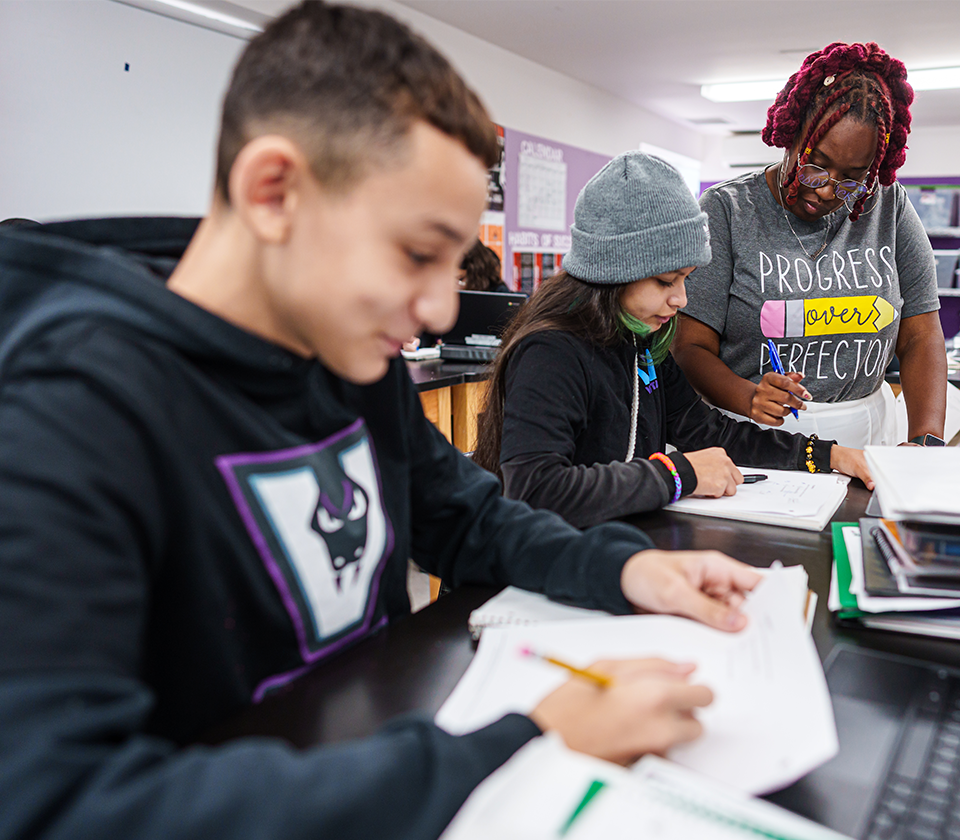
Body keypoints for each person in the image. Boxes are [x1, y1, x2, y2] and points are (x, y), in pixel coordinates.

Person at [0, 4, 764, 839]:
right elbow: (61, 802)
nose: (440, 308)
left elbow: (465, 517)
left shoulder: (341, 354)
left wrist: (621, 572)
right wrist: (527, 742)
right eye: (415, 253)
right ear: (274, 193)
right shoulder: (69, 413)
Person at [472, 153, 873, 528]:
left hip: (610, 546)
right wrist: (678, 472)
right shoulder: (550, 353)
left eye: (685, 279)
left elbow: (711, 432)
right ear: (612, 272)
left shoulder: (641, 341)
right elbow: (537, 490)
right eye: (666, 281)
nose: (680, 299)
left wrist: (826, 455)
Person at [672, 42, 947, 448]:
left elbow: (921, 334)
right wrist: (748, 396)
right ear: (791, 137)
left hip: (864, 435)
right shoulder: (727, 210)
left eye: (852, 178)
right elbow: (689, 346)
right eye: (816, 165)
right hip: (750, 433)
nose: (827, 191)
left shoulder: (887, 204)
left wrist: (927, 441)